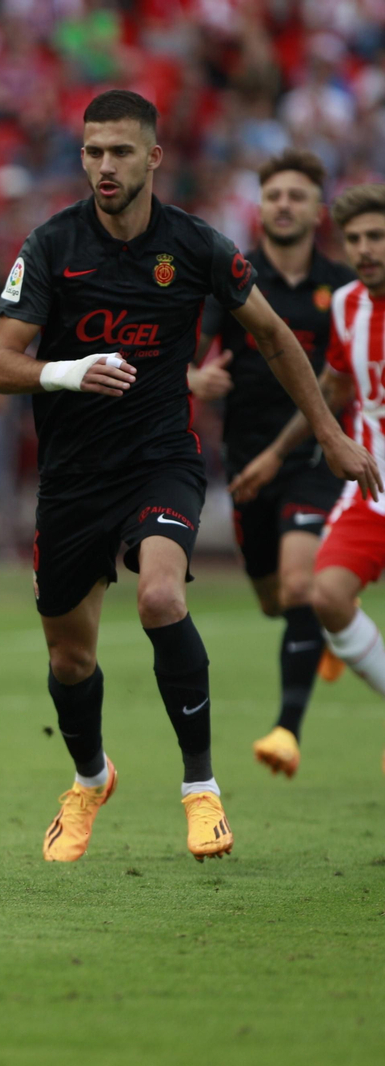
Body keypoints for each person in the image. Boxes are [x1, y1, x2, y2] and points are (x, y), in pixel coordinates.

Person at [0, 90, 377, 864]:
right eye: (93, 151)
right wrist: (69, 371)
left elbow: (273, 334)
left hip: (162, 459)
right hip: (72, 479)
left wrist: (329, 433)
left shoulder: (195, 246)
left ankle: (202, 790)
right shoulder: (51, 245)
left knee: (162, 595)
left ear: (154, 158)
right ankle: (91, 777)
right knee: (71, 658)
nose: (104, 166)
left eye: (121, 152)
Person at [187, 149, 356, 778]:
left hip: (315, 453)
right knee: (273, 600)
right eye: (273, 195)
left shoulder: (342, 288)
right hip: (243, 458)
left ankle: (286, 729)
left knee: (297, 585)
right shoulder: (233, 279)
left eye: (296, 195)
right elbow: (178, 355)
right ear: (260, 208)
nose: (283, 204)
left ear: (318, 210)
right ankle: (329, 629)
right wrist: (193, 375)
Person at [230, 185, 385, 775]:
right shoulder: (346, 304)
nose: (365, 249)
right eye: (356, 239)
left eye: (377, 237)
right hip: (372, 491)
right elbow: (333, 391)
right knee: (323, 595)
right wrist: (275, 453)